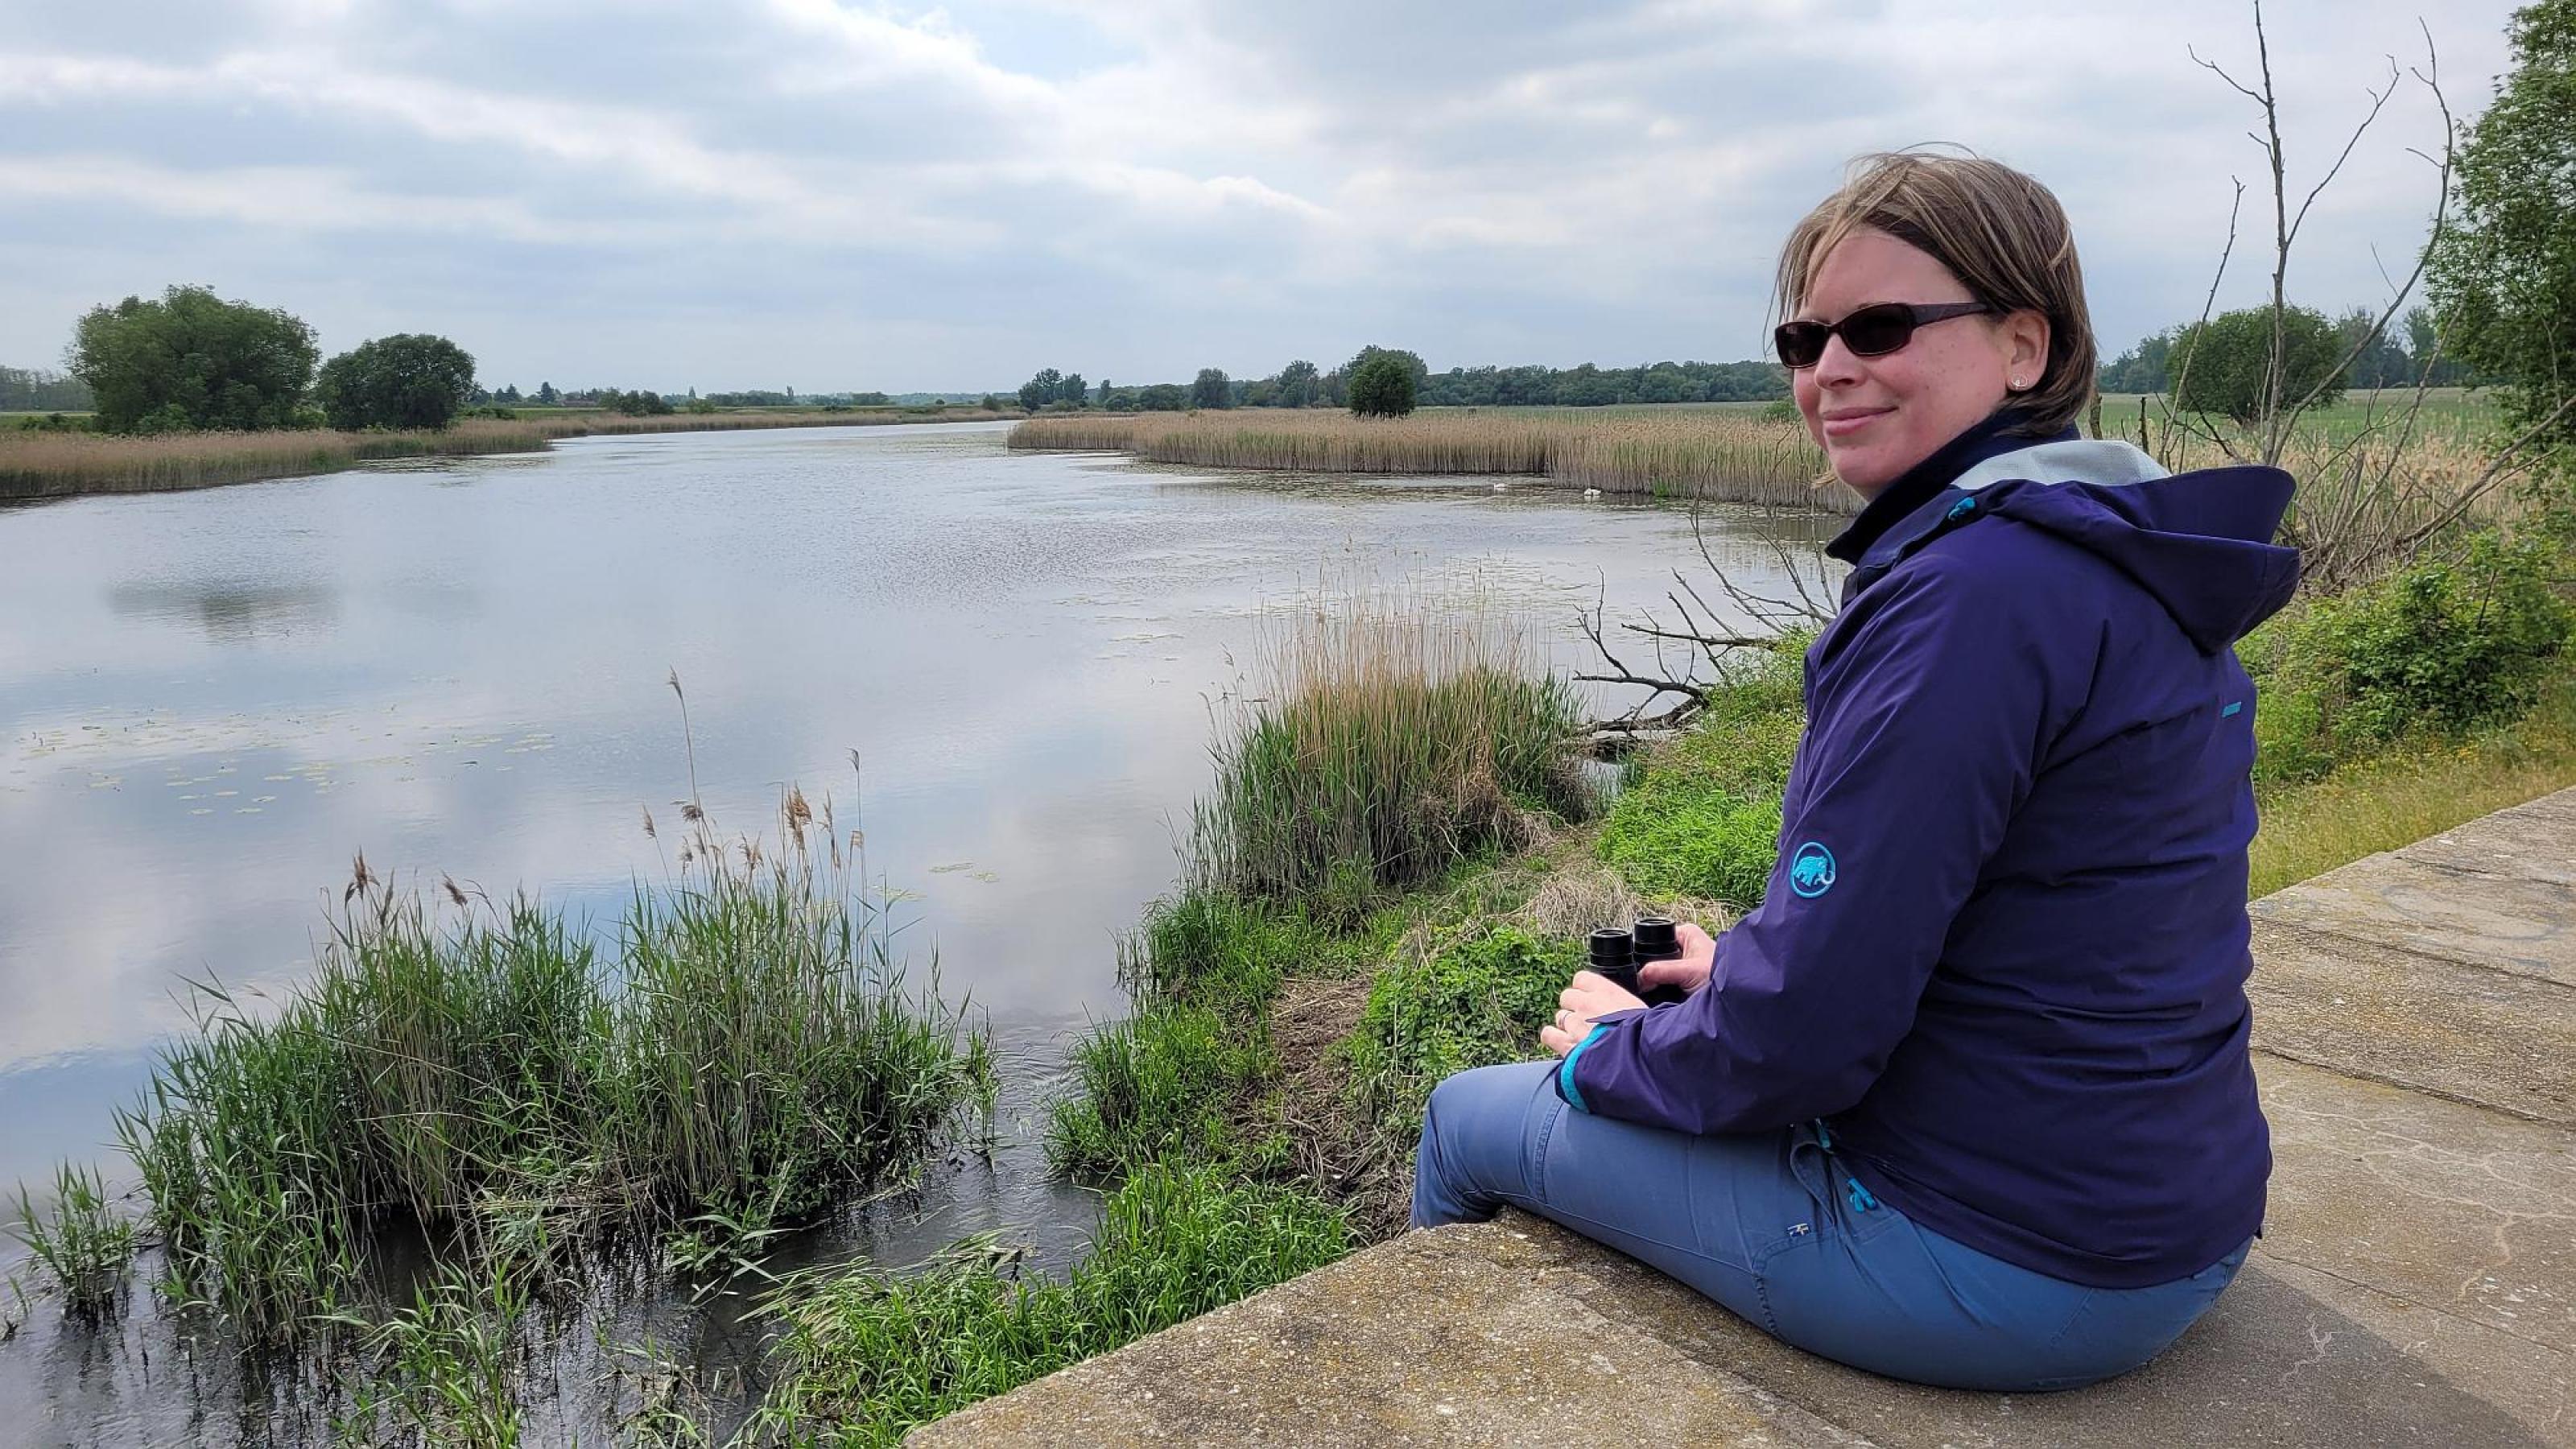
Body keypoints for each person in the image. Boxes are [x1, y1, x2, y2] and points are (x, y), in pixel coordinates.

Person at [1409, 151, 2297, 1393]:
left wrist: (1606, 1055)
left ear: (2024, 348)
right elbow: (2040, 915)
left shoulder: (1970, 600)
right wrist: (1745, 972)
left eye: (1881, 326)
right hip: (2163, 1215)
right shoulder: (2112, 560)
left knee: (1465, 1117)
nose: (1830, 370)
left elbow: (1804, 1046)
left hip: (2006, 1260)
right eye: (1803, 338)